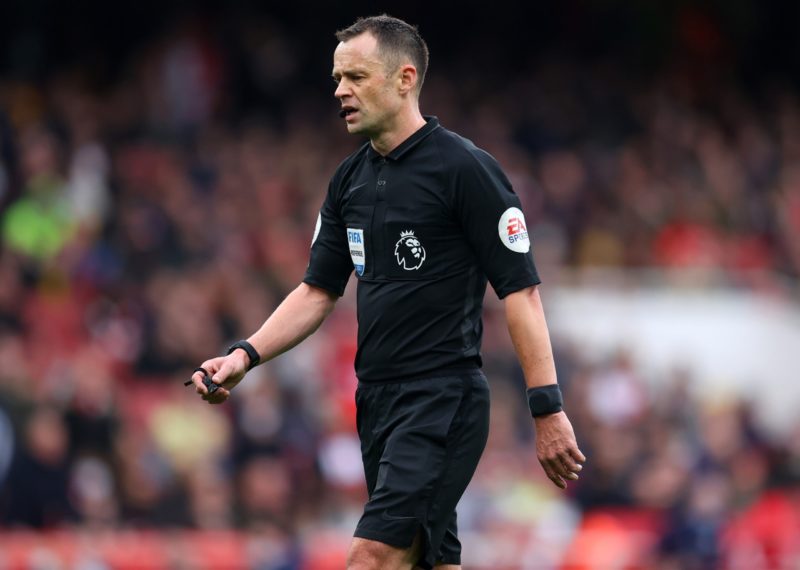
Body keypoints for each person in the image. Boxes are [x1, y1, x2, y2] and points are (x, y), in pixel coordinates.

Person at [190, 14, 585, 570]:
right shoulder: (348, 181)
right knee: (428, 561)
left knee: (371, 556)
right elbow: (316, 291)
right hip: (376, 402)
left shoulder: (465, 170)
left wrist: (547, 408)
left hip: (441, 397)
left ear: (404, 79)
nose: (340, 91)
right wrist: (245, 354)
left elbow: (520, 293)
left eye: (355, 76)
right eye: (336, 78)